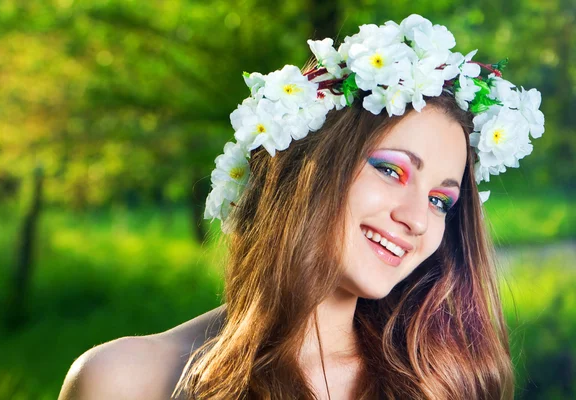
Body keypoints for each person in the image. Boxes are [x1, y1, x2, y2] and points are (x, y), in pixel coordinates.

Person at [58, 14, 544, 400]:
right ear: (308, 165)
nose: (417, 219)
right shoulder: (123, 381)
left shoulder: (443, 383)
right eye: (392, 171)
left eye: (441, 200)